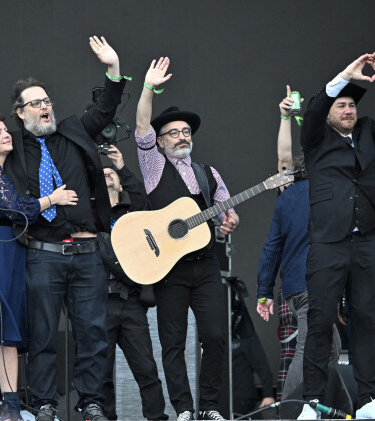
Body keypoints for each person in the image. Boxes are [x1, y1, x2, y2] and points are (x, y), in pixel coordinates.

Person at [0, 36, 126, 421]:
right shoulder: (12, 147)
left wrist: (112, 68)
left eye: (47, 101)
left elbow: (106, 107)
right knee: (43, 336)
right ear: (20, 112)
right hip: (43, 255)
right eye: (36, 103)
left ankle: (91, 402)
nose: (45, 107)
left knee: (93, 334)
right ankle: (44, 404)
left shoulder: (74, 130)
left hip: (86, 253)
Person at [298, 53, 375, 420]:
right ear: (329, 111)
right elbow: (312, 112)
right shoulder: (315, 139)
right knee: (321, 319)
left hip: (365, 243)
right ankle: (311, 402)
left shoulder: (367, 133)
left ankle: (367, 402)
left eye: (351, 105)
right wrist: (344, 75)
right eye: (340, 105)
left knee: (367, 319)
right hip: (328, 242)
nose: (347, 109)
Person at [134, 57, 239, 421]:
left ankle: (209, 406)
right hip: (170, 268)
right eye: (175, 133)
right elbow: (142, 126)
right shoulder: (153, 167)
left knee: (215, 338)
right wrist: (148, 87)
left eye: (186, 132)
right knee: (173, 344)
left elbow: (226, 208)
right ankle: (183, 408)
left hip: (206, 266)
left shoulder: (207, 173)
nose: (183, 136)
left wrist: (230, 219)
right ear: (160, 143)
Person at [0, 113, 73, 421]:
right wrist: (52, 198)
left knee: (8, 333)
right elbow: (14, 209)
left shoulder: (1, 169)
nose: (5, 134)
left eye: (5, 130)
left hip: (8, 251)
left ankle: (10, 407)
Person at [256, 87, 340, 405]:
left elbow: (270, 248)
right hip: (312, 285)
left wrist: (264, 291)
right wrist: (292, 116)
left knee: (320, 350)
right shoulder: (325, 191)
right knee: (310, 351)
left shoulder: (287, 197)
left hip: (292, 289)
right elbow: (284, 159)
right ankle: (293, 409)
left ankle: (320, 407)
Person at [100, 145, 168, 420]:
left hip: (130, 302)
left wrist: (121, 166)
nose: (107, 174)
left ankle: (157, 418)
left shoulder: (134, 210)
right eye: (102, 172)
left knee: (146, 369)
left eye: (111, 173)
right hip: (99, 301)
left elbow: (142, 197)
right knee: (100, 373)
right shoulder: (92, 214)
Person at [229, 277, 275, 416]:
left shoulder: (245, 334)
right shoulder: (213, 334)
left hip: (242, 402)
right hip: (218, 400)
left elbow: (263, 366)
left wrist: (268, 394)